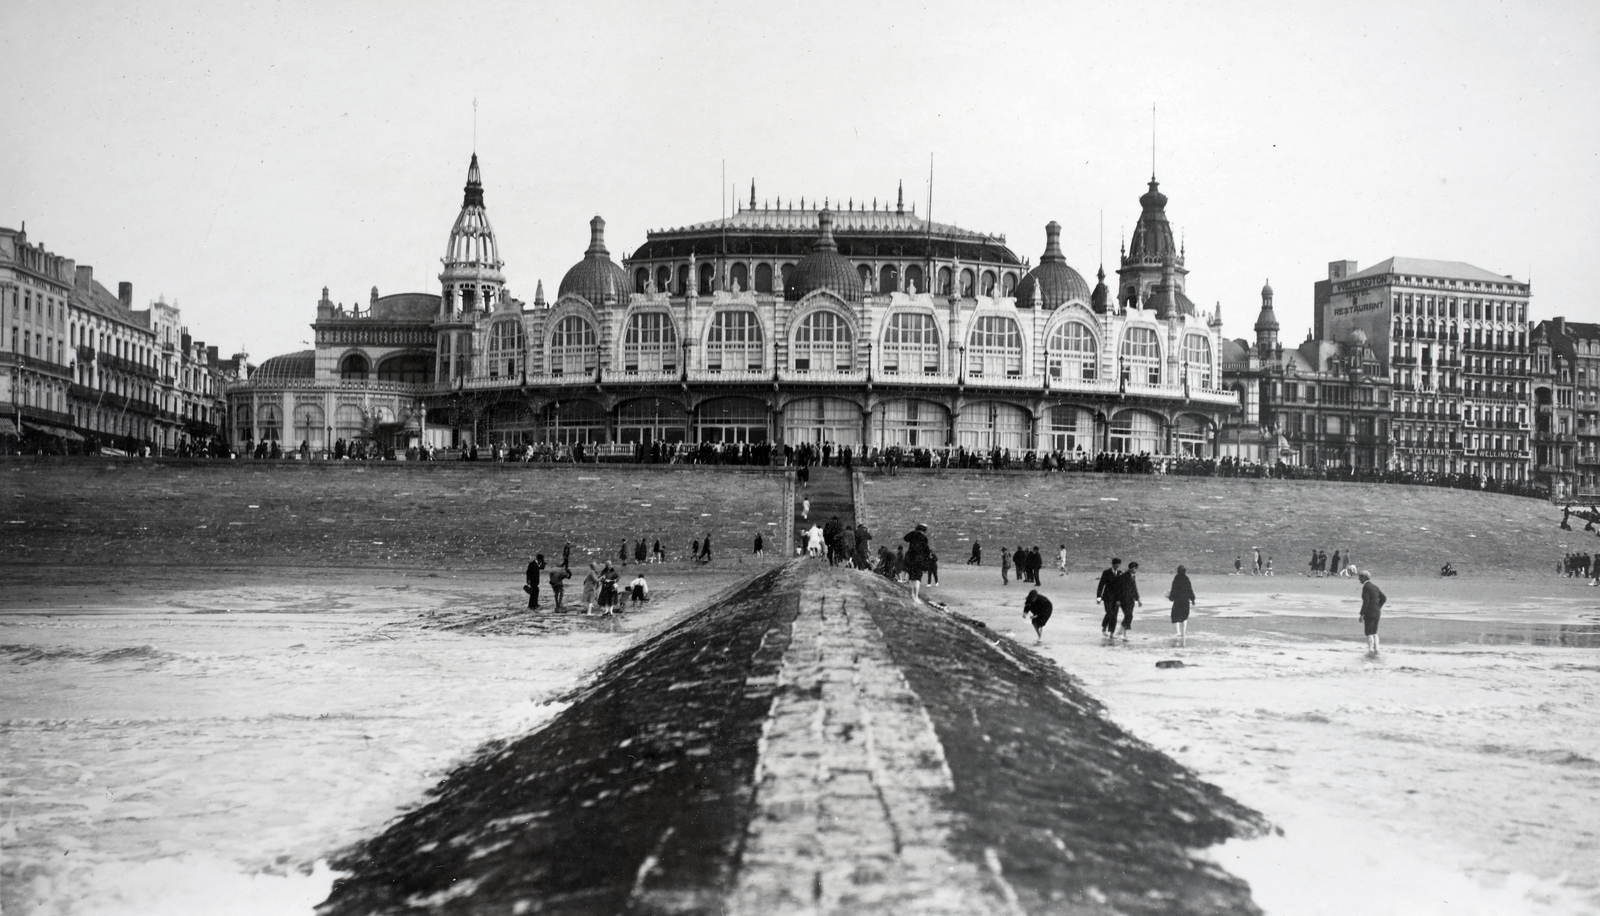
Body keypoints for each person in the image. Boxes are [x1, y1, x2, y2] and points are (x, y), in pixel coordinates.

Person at [1358, 569, 1387, 654]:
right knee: (1374, 632)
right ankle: (1377, 649)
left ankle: (1370, 650)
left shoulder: (1366, 587)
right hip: (1377, 612)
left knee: (1369, 632)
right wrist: (1378, 607)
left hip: (1369, 613)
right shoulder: (1375, 587)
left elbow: (1366, 601)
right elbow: (1383, 598)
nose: (1359, 579)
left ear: (1363, 577)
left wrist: (1361, 614)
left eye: (1360, 577)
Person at [903, 523, 932, 603]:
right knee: (917, 578)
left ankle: (911, 594)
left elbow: (905, 538)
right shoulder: (924, 538)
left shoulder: (912, 535)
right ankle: (916, 597)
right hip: (919, 559)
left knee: (911, 577)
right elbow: (926, 550)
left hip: (910, 557)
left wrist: (913, 532)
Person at [1167, 564, 1196, 645]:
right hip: (1185, 601)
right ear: (1184, 571)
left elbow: (1173, 590)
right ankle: (1184, 633)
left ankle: (1178, 632)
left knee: (1176, 615)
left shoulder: (1176, 579)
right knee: (1184, 616)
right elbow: (1190, 590)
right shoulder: (1187, 579)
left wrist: (1171, 597)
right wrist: (1193, 599)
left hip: (1177, 600)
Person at [1097, 558, 1124, 639]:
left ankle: (1112, 634)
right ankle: (1104, 627)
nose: (1118, 565)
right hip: (1107, 597)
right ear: (1113, 564)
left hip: (1117, 598)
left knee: (1114, 615)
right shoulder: (1106, 572)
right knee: (1110, 613)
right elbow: (1101, 585)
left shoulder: (1120, 573)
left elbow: (1122, 587)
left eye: (1119, 564)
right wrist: (1098, 597)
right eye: (1116, 564)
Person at [1117, 561, 1142, 640]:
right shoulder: (1124, 576)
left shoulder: (1132, 576)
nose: (1136, 570)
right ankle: (1123, 634)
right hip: (1124, 600)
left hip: (1130, 600)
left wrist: (1138, 599)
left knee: (1128, 616)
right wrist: (1118, 600)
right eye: (1136, 568)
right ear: (1132, 568)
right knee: (1129, 616)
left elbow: (1134, 589)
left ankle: (1121, 633)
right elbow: (1118, 589)